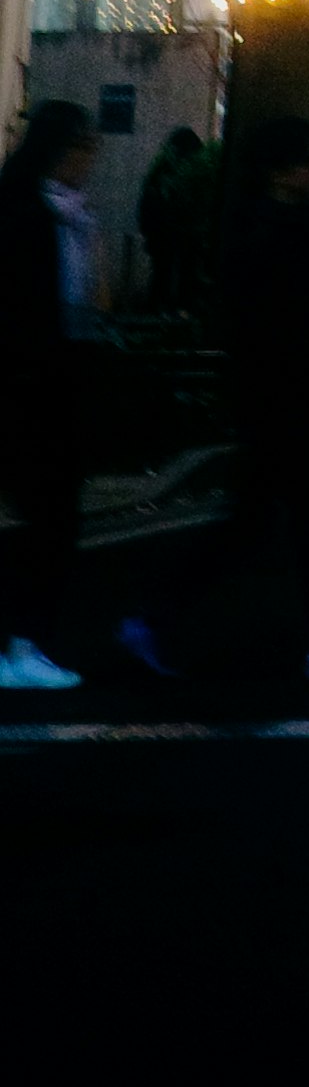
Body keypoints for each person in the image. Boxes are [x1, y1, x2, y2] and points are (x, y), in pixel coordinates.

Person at [119, 118, 309, 690]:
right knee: (303, 523)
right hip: (290, 397)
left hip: (274, 396)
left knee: (260, 520)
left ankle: (156, 616)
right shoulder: (282, 234)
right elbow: (296, 322)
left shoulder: (258, 227)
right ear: (283, 170)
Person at [0, 100, 104, 693]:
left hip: (47, 384)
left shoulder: (64, 215)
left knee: (45, 519)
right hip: (33, 389)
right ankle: (26, 644)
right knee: (51, 521)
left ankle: (23, 643)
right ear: (59, 151)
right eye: (84, 148)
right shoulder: (32, 216)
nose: (90, 160)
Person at [133, 125, 215, 318]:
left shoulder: (159, 172)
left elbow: (146, 208)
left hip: (162, 238)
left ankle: (155, 317)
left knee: (161, 279)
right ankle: (178, 318)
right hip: (184, 239)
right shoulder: (195, 175)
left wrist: (149, 234)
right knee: (184, 282)